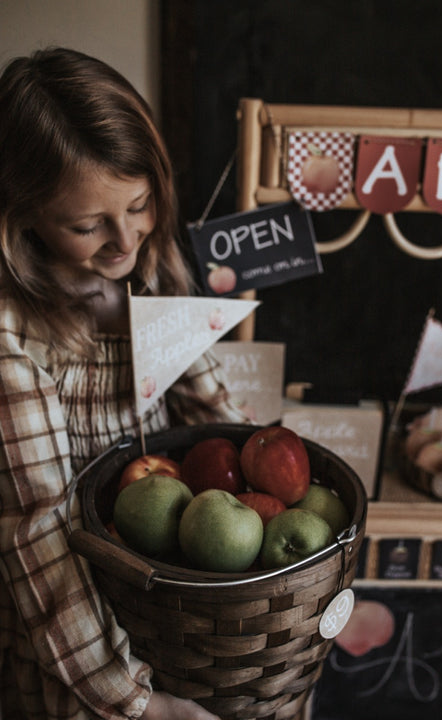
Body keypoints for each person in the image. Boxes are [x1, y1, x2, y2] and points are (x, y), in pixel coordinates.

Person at [0, 47, 247, 720]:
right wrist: (134, 702)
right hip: (72, 642)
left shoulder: (149, 273)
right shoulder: (12, 335)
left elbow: (211, 411)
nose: (124, 240)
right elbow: (38, 532)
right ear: (22, 220)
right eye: (86, 226)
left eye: (138, 205)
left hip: (170, 610)